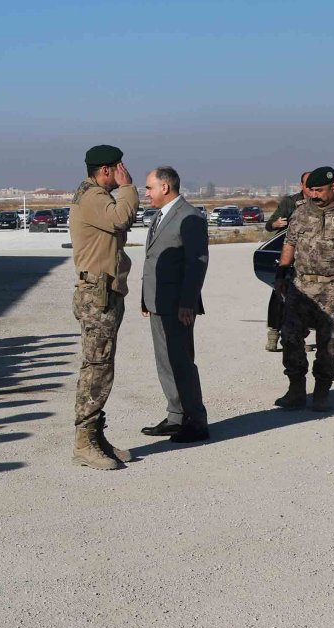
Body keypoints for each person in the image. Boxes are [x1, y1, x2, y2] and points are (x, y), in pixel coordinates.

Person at [67, 144, 139, 470]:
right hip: (97, 295)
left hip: (105, 292)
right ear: (107, 170)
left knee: (102, 364)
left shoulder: (95, 195)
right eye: (119, 168)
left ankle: (95, 436)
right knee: (96, 367)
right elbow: (122, 218)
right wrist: (128, 187)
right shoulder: (93, 196)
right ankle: (84, 443)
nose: (123, 172)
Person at [274, 166, 334, 412]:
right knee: (290, 337)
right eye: (311, 190)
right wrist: (281, 274)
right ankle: (296, 390)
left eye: (319, 190)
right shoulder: (301, 211)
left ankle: (321, 392)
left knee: (329, 344)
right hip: (301, 286)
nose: (314, 195)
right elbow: (289, 242)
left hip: (333, 287)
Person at [139, 166, 209, 443]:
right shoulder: (161, 215)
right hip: (158, 302)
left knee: (181, 362)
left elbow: (197, 263)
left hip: (179, 305)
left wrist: (187, 303)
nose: (146, 193)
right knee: (165, 363)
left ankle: (196, 421)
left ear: (165, 187)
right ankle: (176, 416)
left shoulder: (189, 217)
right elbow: (152, 261)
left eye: (149, 188)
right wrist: (146, 298)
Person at [264, 171, 312, 351]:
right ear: (301, 185)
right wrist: (276, 224)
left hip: (308, 259)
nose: (312, 189)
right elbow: (270, 224)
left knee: (305, 300)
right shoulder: (290, 202)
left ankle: (298, 338)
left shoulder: (321, 204)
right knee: (278, 296)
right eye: (308, 185)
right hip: (286, 257)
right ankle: (273, 336)